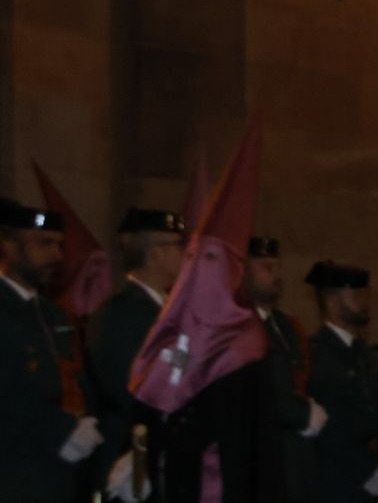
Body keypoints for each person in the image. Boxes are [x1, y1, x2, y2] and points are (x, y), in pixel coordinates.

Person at [127, 120, 280, 503]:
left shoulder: (247, 344)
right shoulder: (173, 329)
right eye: (193, 256)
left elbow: (254, 442)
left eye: (210, 259)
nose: (197, 267)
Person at [0, 198, 103, 503]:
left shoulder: (53, 313)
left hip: (62, 476)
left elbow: (76, 378)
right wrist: (62, 430)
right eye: (44, 244)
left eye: (59, 245)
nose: (57, 256)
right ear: (8, 246)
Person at [90, 206, 187, 491]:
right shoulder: (120, 313)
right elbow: (126, 389)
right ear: (156, 253)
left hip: (165, 449)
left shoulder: (168, 312)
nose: (185, 256)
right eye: (178, 246)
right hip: (133, 453)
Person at [305, 261, 378, 503]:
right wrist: (366, 471)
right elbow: (330, 425)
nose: (364, 302)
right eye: (356, 295)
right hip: (340, 483)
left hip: (373, 479)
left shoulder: (361, 352)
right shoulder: (318, 352)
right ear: (332, 301)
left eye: (365, 294)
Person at [248, 236, 325, 503]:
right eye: (266, 267)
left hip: (294, 459)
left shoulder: (284, 325)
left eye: (278, 267)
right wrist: (301, 413)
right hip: (263, 457)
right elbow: (259, 390)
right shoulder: (241, 326)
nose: (276, 274)